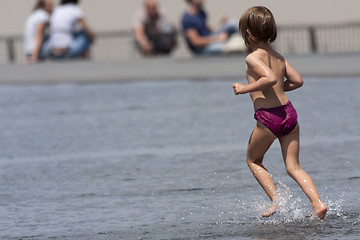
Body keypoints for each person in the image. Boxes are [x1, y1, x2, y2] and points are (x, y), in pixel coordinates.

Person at [232, 6, 327, 219]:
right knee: (294, 166)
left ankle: (276, 199)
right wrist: (278, 89)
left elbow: (270, 79)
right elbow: (297, 81)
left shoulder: (252, 58)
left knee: (253, 160)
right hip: (289, 113)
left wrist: (243, 88)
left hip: (269, 117)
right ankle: (317, 203)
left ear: (247, 32)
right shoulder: (278, 56)